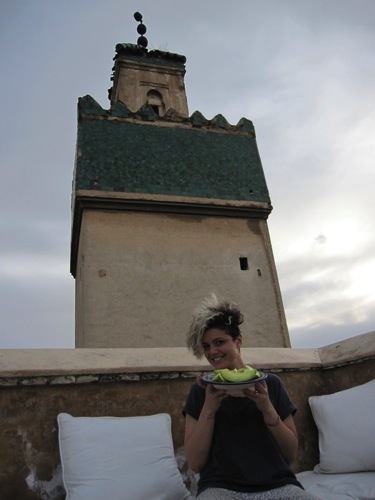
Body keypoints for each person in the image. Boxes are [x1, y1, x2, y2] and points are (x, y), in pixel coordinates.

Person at [183, 294, 320, 500]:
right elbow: (195, 463)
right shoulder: (200, 391)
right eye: (206, 346)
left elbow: (290, 454)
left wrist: (267, 408)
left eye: (219, 342)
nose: (212, 352)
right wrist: (209, 409)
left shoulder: (270, 384)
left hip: (277, 484)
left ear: (238, 340)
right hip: (219, 488)